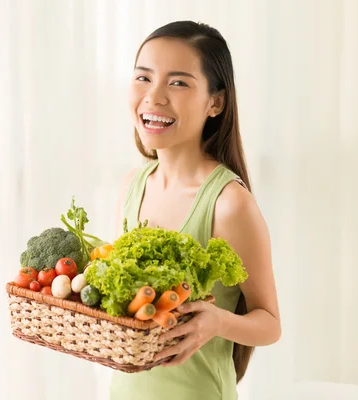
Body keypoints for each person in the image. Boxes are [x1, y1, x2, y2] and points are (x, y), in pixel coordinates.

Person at [110, 21, 281, 399]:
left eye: (178, 82)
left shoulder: (228, 203)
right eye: (143, 78)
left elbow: (270, 323)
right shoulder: (132, 187)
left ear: (215, 102)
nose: (153, 97)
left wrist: (217, 322)